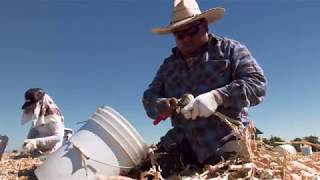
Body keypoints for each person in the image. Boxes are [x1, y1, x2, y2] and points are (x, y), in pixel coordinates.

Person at [142, 0, 267, 177]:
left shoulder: (230, 49)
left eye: (192, 30)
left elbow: (257, 84)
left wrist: (218, 97)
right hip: (180, 143)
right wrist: (162, 105)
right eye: (179, 34)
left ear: (205, 25)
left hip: (225, 141)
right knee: (145, 171)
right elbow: (149, 97)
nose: (186, 38)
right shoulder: (167, 66)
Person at [21, 88, 64, 153]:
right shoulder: (37, 119)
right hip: (40, 151)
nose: (31, 108)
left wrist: (36, 141)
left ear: (41, 102)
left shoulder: (54, 117)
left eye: (33, 105)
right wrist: (26, 144)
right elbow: (30, 137)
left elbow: (58, 137)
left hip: (53, 151)